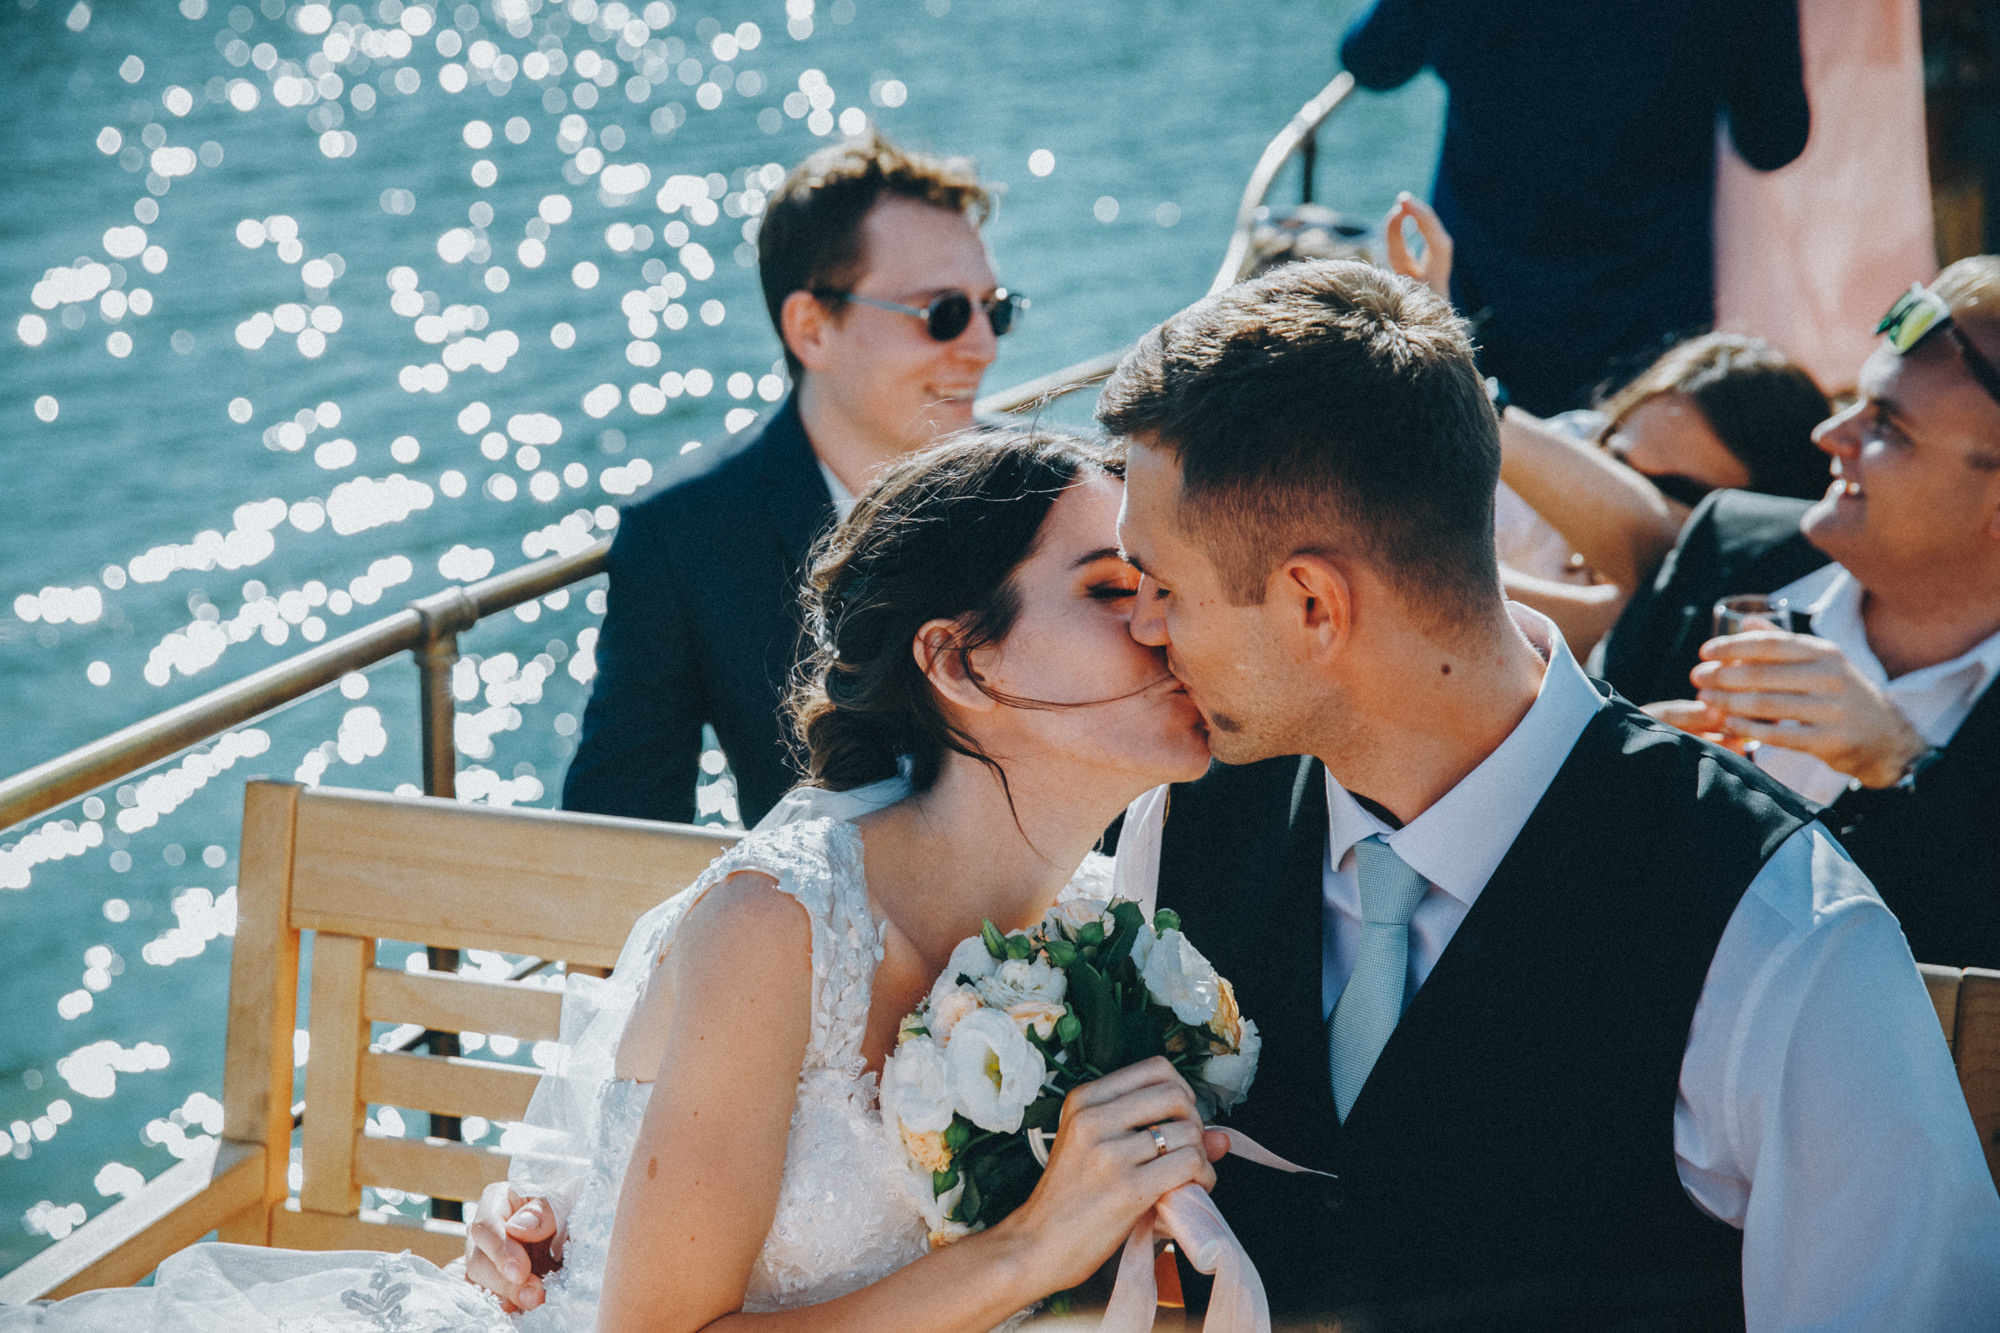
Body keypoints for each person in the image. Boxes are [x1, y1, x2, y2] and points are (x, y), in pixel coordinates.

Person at [10, 431, 1222, 1332]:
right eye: (1112, 592)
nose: (1164, 624)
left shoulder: (1103, 937)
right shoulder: (784, 928)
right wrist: (1023, 1247)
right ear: (958, 662)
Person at [1096, 259, 2000, 1326]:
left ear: (1310, 604)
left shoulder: (1780, 936)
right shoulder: (1183, 823)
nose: (1140, 629)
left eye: (1159, 586)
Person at [560, 129, 1024, 827]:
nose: (984, 346)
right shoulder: (687, 535)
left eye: (995, 308)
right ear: (811, 328)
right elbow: (618, 826)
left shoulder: (1043, 495)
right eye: (943, 314)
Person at [1607, 257, 2000, 968]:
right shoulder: (1731, 547)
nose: (1832, 435)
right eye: (1858, 399)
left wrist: (1897, 766)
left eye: (1887, 427)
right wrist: (1620, 762)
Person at [1338, 0, 1810, 415]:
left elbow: (1374, 59)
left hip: (1488, 295)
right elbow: (1774, 139)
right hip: (1647, 306)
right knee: (1629, 500)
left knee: (1481, 471)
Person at [1500, 332, 1832, 649]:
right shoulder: (1563, 447)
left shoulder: (1757, 612)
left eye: (1667, 489)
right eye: (1613, 463)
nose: (1623, 491)